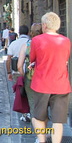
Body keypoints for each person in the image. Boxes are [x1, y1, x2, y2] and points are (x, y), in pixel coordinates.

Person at [30, 12, 71, 143]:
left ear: (44, 25)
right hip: (61, 84)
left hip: (41, 83)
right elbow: (65, 59)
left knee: (38, 117)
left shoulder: (37, 40)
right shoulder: (66, 41)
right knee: (58, 121)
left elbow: (32, 59)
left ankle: (41, 140)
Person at [17, 23, 43, 127]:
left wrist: (24, 76)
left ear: (30, 33)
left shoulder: (27, 45)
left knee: (33, 106)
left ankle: (40, 136)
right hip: (46, 78)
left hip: (30, 79)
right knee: (44, 106)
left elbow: (19, 66)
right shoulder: (47, 44)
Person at [5, 25, 31, 122]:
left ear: (19, 33)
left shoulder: (14, 44)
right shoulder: (30, 43)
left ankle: (25, 113)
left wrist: (8, 72)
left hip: (17, 71)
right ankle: (29, 112)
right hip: (29, 71)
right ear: (28, 33)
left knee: (20, 93)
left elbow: (8, 59)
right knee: (29, 92)